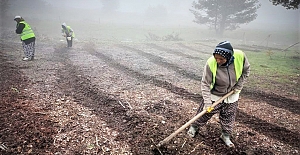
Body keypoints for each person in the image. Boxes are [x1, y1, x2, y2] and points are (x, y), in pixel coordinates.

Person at [187, 41, 250, 148]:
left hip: (231, 95)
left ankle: (225, 135)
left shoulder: (240, 56)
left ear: (229, 56)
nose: (218, 61)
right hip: (215, 94)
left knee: (228, 116)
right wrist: (207, 103)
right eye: (216, 58)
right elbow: (205, 83)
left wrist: (238, 86)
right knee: (204, 113)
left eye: (221, 59)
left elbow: (246, 71)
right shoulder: (211, 63)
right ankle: (194, 127)